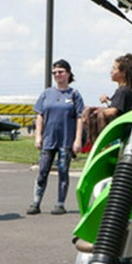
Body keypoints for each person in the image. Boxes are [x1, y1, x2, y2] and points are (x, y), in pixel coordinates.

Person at [27, 59, 85, 215]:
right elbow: (40, 116)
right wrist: (38, 136)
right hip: (48, 140)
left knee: (63, 171)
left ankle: (60, 203)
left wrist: (77, 140)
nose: (57, 75)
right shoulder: (47, 93)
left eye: (60, 72)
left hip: (66, 140)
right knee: (43, 171)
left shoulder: (74, 94)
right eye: (54, 72)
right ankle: (36, 202)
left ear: (68, 73)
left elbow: (80, 117)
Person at [81, 53, 132, 151]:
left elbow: (113, 111)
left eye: (114, 69)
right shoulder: (126, 90)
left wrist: (95, 112)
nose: (111, 71)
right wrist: (109, 100)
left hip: (117, 136)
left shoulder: (123, 91)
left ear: (123, 73)